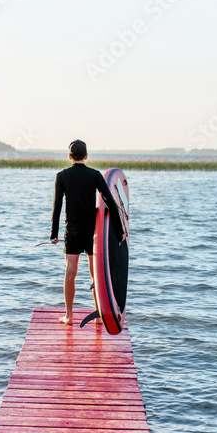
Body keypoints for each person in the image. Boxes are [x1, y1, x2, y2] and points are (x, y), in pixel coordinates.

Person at [50, 139, 119, 325]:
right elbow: (111, 203)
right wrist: (120, 230)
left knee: (70, 271)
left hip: (72, 231)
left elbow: (57, 207)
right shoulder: (95, 175)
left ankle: (69, 316)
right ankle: (98, 315)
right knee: (95, 273)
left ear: (69, 156)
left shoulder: (62, 176)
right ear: (86, 156)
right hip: (92, 232)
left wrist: (53, 233)